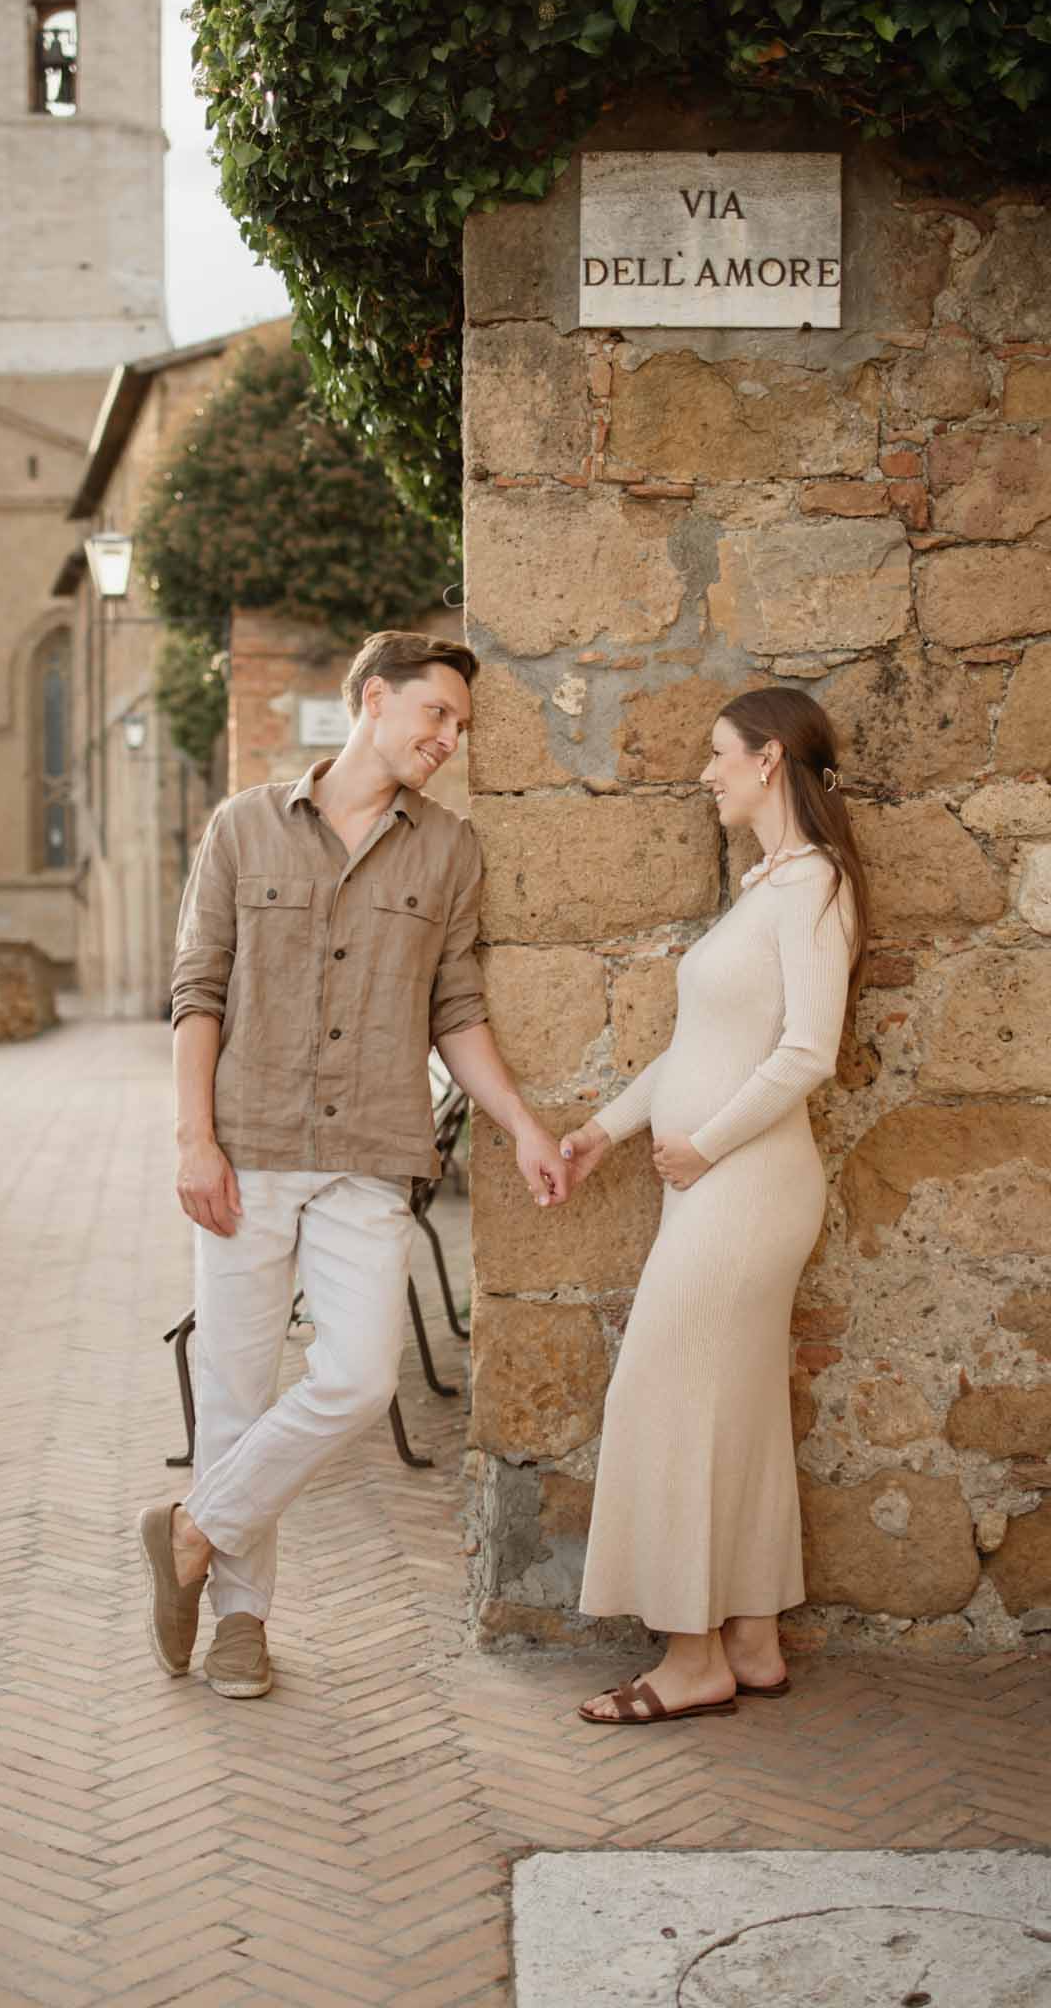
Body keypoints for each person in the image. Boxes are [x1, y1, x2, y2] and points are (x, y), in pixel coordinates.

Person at [138, 630, 571, 1700]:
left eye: (461, 727)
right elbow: (198, 992)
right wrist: (193, 1138)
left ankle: (191, 1529)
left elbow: (456, 1011)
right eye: (438, 716)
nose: (449, 740)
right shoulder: (242, 827)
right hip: (248, 1147)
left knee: (356, 1374)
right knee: (238, 1395)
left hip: (371, 1156)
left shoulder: (449, 851)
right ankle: (242, 1625)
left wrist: (517, 1123)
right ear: (374, 701)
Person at [562, 686, 868, 1726]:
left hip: (748, 1189)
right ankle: (751, 1639)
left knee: (671, 1397)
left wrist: (704, 1144)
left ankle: (691, 1660)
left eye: (718, 755)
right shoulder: (764, 887)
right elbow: (701, 1051)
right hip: (712, 1186)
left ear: (769, 758)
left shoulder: (815, 887)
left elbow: (807, 1054)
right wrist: (606, 1130)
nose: (706, 773)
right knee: (729, 1408)